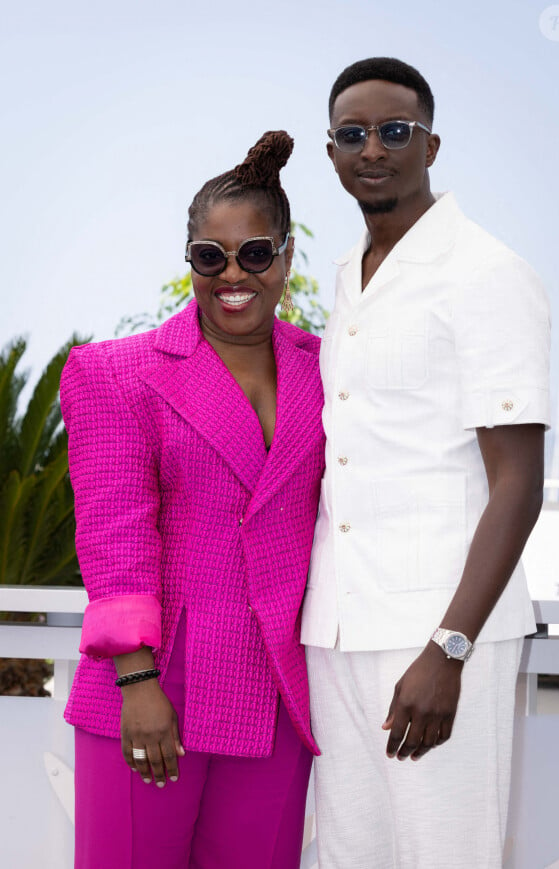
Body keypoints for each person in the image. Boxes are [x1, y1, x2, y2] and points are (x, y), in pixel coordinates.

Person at [301, 57, 550, 868]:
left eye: (394, 131)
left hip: (439, 634)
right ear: (332, 153)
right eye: (353, 134)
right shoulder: (347, 278)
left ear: (432, 144)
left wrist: (450, 647)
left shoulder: (487, 272)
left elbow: (517, 482)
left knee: (446, 856)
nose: (373, 149)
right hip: (337, 629)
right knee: (344, 856)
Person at [60, 130, 325, 869]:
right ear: (189, 260)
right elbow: (115, 540)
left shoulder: (330, 370)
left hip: (274, 690)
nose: (232, 273)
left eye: (255, 252)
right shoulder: (116, 373)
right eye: (210, 256)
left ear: (286, 255)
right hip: (153, 679)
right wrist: (137, 684)